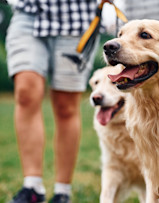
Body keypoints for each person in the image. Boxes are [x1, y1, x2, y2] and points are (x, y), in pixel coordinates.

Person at [5, 0, 99, 202]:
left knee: (66, 106)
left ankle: (62, 191)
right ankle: (32, 188)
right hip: (29, 13)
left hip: (77, 19)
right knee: (26, 91)